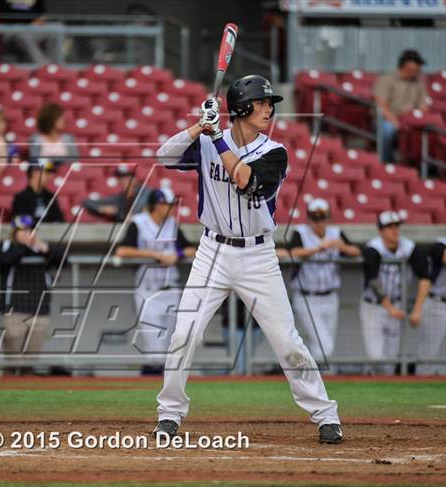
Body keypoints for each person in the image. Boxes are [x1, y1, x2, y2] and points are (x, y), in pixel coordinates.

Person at [152, 75, 343, 444]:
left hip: (258, 255)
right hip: (212, 251)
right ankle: (169, 413)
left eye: (270, 103)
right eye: (262, 103)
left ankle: (326, 415)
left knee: (286, 341)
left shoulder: (275, 152)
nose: (269, 109)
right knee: (184, 334)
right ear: (241, 109)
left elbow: (246, 181)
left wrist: (216, 137)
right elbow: (164, 156)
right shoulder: (206, 141)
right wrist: (199, 126)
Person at [115, 188, 196, 374]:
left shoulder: (172, 225)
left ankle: (166, 383)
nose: (170, 208)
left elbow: (191, 249)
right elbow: (122, 251)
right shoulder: (139, 223)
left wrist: (178, 255)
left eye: (171, 205)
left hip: (171, 290)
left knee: (171, 346)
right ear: (155, 205)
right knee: (154, 349)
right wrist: (154, 254)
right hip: (148, 291)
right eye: (165, 204)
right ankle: (151, 380)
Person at [288, 199, 360, 362]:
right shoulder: (301, 232)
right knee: (325, 346)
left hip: (330, 297)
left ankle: (307, 372)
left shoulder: (335, 233)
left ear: (328, 218)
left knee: (323, 346)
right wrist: (317, 249)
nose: (319, 223)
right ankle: (304, 369)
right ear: (309, 219)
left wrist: (341, 246)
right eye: (315, 218)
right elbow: (292, 252)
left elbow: (356, 251)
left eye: (322, 218)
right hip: (307, 297)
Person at [360, 211, 426, 375]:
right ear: (380, 230)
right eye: (389, 227)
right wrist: (390, 308)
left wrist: (417, 309)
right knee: (375, 356)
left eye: (396, 226)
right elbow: (373, 280)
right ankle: (369, 378)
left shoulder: (408, 246)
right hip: (374, 306)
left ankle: (383, 388)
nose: (394, 230)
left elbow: (425, 275)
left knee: (391, 358)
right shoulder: (373, 247)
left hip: (397, 304)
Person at [0, 214, 64, 373]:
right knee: (13, 362)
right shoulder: (7, 245)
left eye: (30, 230)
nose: (27, 233)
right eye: (22, 230)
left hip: (39, 310)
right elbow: (5, 260)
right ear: (14, 232)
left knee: (30, 361)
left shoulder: (40, 247)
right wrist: (25, 245)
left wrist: (43, 247)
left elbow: (63, 260)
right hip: (14, 310)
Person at [374, 49, 429, 163]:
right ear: (409, 64)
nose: (420, 68)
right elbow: (381, 104)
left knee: (426, 132)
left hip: (409, 120)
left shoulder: (418, 83)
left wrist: (417, 121)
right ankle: (386, 163)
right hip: (388, 119)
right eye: (418, 65)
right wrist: (396, 122)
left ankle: (417, 164)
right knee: (387, 130)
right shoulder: (387, 79)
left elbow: (423, 106)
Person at [409, 238, 445, 375]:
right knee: (428, 354)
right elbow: (441, 254)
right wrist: (417, 309)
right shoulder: (441, 243)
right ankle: (423, 383)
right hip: (437, 303)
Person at [82, 165, 152, 222]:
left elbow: (135, 215)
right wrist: (101, 208)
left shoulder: (145, 192)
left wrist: (117, 212)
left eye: (127, 177)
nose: (123, 180)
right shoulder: (121, 197)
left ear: (134, 178)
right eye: (120, 178)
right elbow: (87, 202)